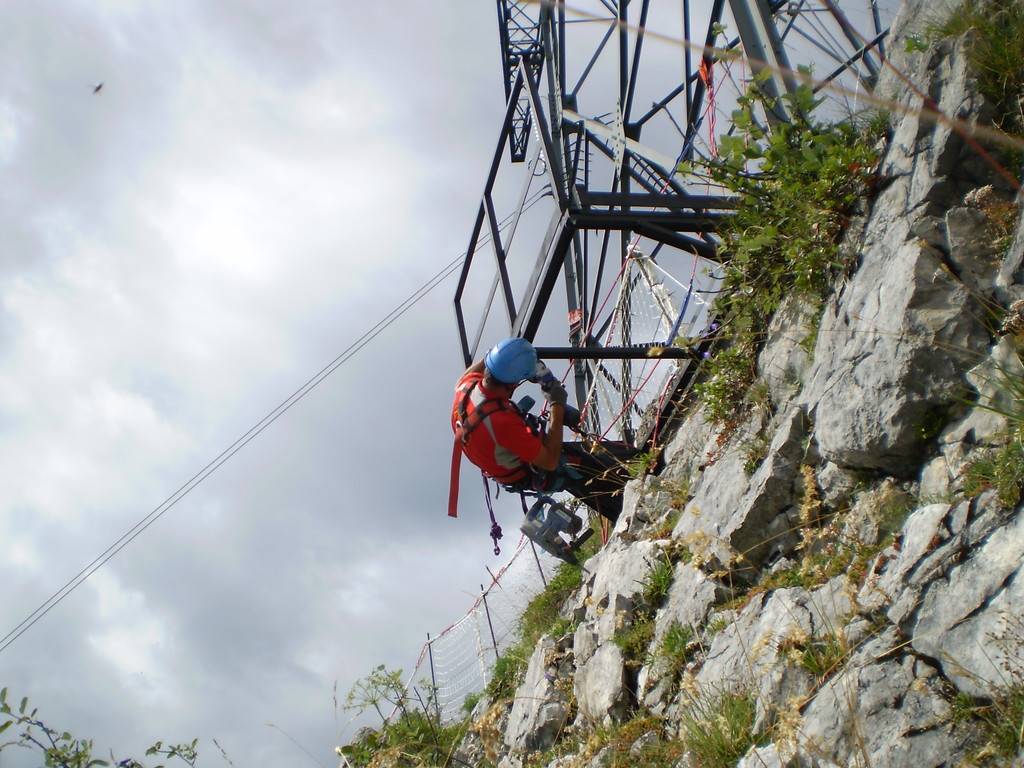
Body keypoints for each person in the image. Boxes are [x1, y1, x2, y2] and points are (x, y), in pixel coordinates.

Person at [451, 337, 637, 522]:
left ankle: (628, 492)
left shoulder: (467, 388)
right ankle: (636, 508)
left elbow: (463, 378)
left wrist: (502, 355)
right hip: (534, 469)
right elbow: (550, 462)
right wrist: (556, 404)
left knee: (589, 461)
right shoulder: (501, 422)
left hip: (502, 453)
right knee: (584, 467)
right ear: (514, 383)